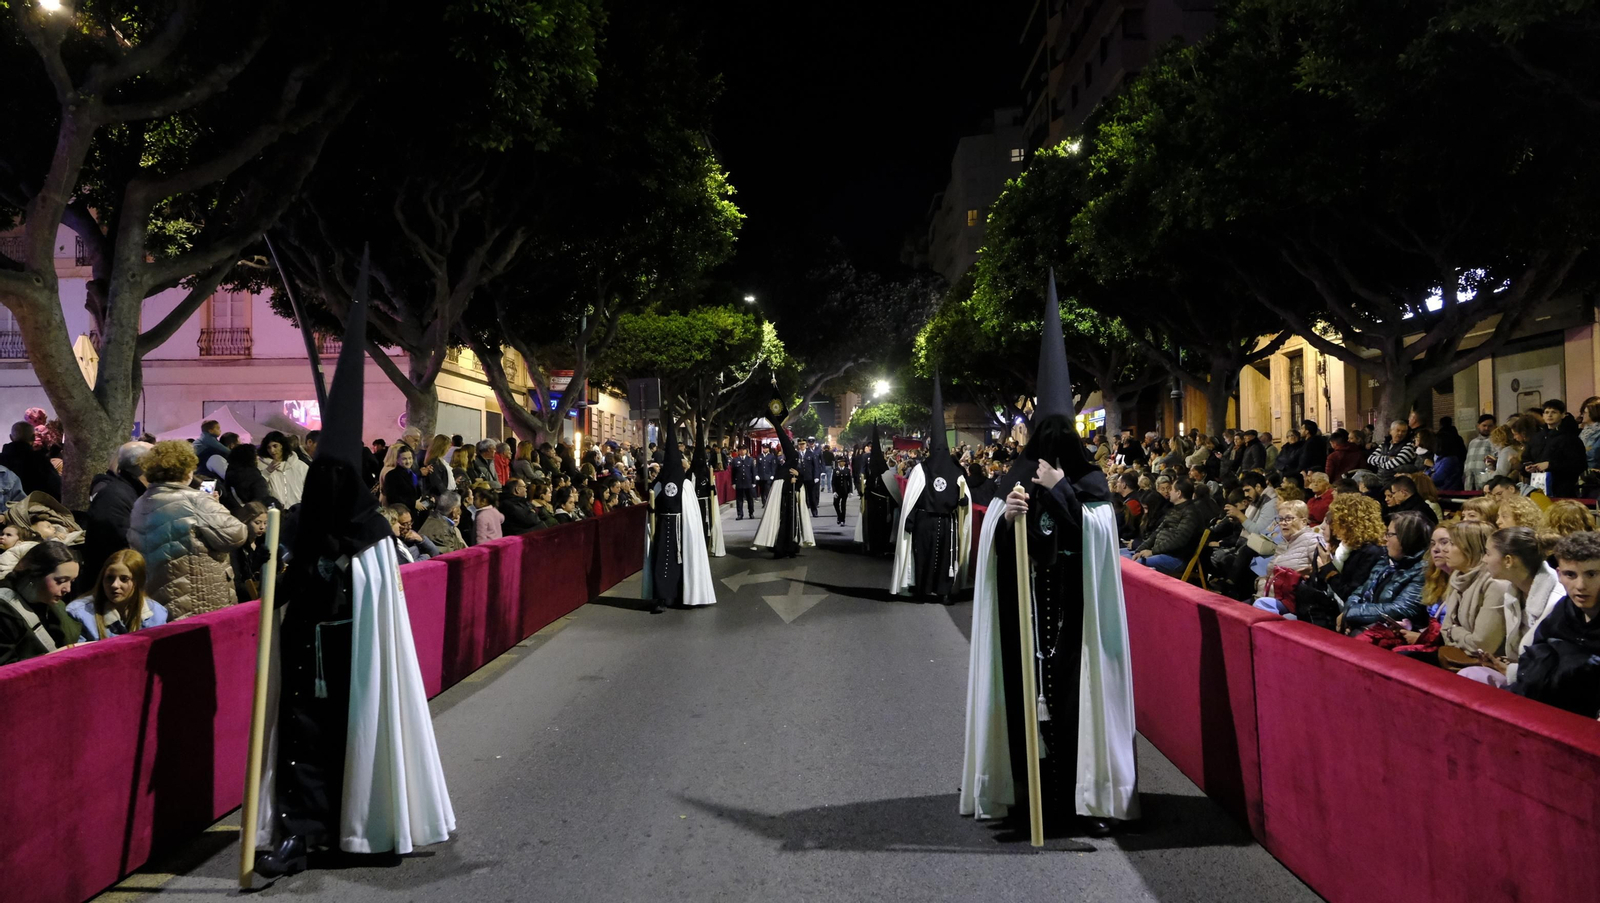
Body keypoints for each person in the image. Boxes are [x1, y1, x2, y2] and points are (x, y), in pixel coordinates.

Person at [252, 255, 453, 879]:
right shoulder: (304, 522)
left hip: (355, 658)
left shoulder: (369, 534)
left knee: (356, 739)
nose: (332, 490)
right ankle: (299, 832)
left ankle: (362, 823)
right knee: (303, 743)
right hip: (308, 654)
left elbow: (373, 598)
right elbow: (283, 589)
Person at [962, 274, 1137, 836]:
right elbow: (989, 539)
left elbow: (1099, 537)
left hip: (1076, 624)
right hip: (1025, 623)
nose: (1056, 439)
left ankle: (1084, 798)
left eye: (1064, 432)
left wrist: (1062, 489)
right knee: (1022, 704)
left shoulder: (1088, 479)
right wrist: (1006, 518)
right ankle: (1023, 795)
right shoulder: (1014, 474)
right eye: (1050, 431)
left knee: (1074, 707)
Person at [125, 441, 248, 621]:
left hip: (157, 600)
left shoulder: (141, 502)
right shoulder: (196, 500)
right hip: (198, 599)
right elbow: (236, 534)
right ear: (186, 469)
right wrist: (214, 506)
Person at [1501, 532, 1600, 718]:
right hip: (1541, 711)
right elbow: (1528, 655)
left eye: (1592, 574)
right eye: (1570, 574)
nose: (1580, 585)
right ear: (1559, 575)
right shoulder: (1562, 609)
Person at [891, 378, 971, 603]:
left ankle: (944, 590)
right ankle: (922, 589)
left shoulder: (952, 471)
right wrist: (910, 518)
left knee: (946, 557)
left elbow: (964, 493)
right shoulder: (922, 470)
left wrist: (962, 502)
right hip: (926, 521)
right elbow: (913, 497)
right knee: (923, 555)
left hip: (946, 521)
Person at [644, 414, 715, 612]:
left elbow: (690, 513)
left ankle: (680, 595)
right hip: (662, 529)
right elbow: (652, 504)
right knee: (660, 561)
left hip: (680, 531)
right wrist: (651, 509)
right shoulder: (659, 484)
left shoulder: (685, 485)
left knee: (679, 562)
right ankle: (660, 597)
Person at [1433, 521, 1516, 661]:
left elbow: (1482, 645)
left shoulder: (1495, 585)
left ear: (1472, 548)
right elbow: (1444, 629)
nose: (1445, 549)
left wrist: (1453, 631)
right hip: (1456, 654)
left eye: (1452, 544)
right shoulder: (1457, 576)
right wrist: (1455, 633)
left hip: (1487, 664)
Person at [80, 441, 152, 596]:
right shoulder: (115, 497)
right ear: (145, 466)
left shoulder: (129, 491)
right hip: (111, 590)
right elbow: (123, 545)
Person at [1341, 511, 1431, 633]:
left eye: (1389, 534)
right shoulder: (1386, 560)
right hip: (1365, 623)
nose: (1384, 538)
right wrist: (1350, 614)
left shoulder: (1423, 570)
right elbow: (1360, 592)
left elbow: (1399, 609)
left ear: (1406, 538)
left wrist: (1350, 614)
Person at [0, 541, 81, 665]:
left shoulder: (54, 603)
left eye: (72, 581)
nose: (68, 589)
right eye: (61, 581)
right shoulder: (5, 611)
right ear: (34, 574)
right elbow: (6, 670)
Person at [66, 548, 167, 641]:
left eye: (124, 579)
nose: (115, 585)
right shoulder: (79, 614)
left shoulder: (157, 613)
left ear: (138, 582)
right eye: (109, 578)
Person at [1125, 477, 1209, 577]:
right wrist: (1139, 550)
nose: (1169, 492)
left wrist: (1152, 551)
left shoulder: (1191, 513)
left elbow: (1179, 540)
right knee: (1123, 559)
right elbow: (1156, 533)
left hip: (1176, 558)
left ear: (1179, 493)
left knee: (1136, 565)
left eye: (1172, 489)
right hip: (1160, 553)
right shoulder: (1174, 510)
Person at [1522, 400, 1587, 498]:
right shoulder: (1537, 437)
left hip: (1562, 489)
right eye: (1547, 412)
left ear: (1562, 415)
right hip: (1537, 487)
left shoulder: (1570, 438)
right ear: (1543, 416)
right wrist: (1527, 467)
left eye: (1554, 412)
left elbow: (1579, 464)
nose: (1550, 415)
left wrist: (1550, 465)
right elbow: (1525, 458)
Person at [855, 424, 898, 557]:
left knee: (884, 526)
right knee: (872, 524)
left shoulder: (885, 473)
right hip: (871, 500)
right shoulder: (867, 464)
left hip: (884, 504)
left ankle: (883, 545)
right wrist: (863, 488)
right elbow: (862, 474)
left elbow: (892, 488)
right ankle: (871, 544)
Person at [0, 421, 61, 499]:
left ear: (11, 437)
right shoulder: (40, 461)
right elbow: (56, 489)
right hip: (33, 508)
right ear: (33, 437)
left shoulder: (2, 460)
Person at [230, 502, 274, 603]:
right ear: (246, 521)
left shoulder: (265, 542)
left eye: (265, 523)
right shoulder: (237, 546)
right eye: (257, 523)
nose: (262, 527)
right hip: (245, 599)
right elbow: (238, 582)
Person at [258, 431, 309, 508]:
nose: (272, 450)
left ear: (282, 446)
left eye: (275, 446)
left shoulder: (300, 466)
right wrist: (267, 472)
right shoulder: (261, 466)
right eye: (269, 447)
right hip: (274, 510)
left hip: (298, 510)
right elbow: (258, 488)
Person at [223, 442, 278, 511]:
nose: (258, 458)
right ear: (250, 458)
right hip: (251, 516)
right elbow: (261, 501)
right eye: (256, 455)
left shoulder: (230, 474)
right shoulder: (255, 478)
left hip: (233, 514)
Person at [690, 447, 725, 557]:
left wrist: (711, 488)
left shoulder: (707, 473)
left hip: (705, 504)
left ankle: (707, 545)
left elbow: (713, 492)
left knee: (706, 525)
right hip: (694, 503)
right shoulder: (689, 473)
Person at [382, 447, 425, 513]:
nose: (408, 461)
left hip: (414, 510)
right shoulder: (392, 475)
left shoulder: (411, 473)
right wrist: (413, 503)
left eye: (410, 458)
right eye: (404, 459)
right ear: (397, 460)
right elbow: (392, 498)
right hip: (401, 512)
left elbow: (416, 491)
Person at [1464, 414, 1498, 490]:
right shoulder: (1472, 442)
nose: (1487, 428)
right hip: (1470, 480)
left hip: (1486, 481)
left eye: (1490, 426)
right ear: (1478, 426)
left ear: (1495, 426)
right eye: (1484, 425)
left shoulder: (1495, 442)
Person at [731, 448, 757, 521]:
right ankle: (740, 514)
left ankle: (751, 513)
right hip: (739, 482)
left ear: (746, 451)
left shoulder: (750, 459)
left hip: (748, 482)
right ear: (739, 451)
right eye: (741, 450)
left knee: (750, 499)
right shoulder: (735, 460)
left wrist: (753, 482)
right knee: (739, 499)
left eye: (743, 450)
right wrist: (733, 483)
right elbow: (733, 473)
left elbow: (753, 472)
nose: (742, 451)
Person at [832, 455, 853, 526]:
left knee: (843, 505)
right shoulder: (835, 470)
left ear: (844, 463)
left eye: (842, 462)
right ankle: (839, 515)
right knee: (835, 503)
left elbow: (850, 481)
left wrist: (850, 491)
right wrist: (834, 491)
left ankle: (843, 520)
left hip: (844, 490)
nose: (841, 463)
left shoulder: (847, 470)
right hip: (837, 490)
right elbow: (833, 482)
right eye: (840, 462)